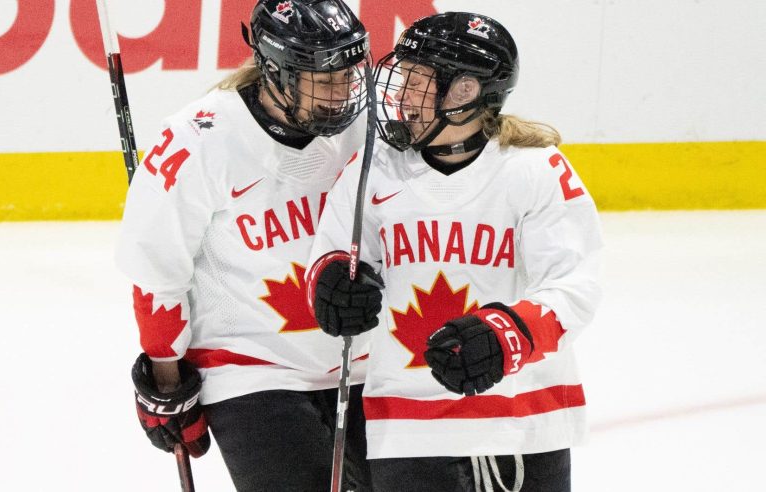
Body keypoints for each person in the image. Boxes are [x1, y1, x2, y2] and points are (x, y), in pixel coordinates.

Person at [306, 11, 603, 492]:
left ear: (463, 92)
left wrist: (510, 333)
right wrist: (332, 284)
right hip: (407, 425)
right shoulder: (374, 168)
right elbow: (333, 255)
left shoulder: (535, 169)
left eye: (416, 81)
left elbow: (575, 285)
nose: (400, 95)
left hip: (523, 418)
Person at [115, 1, 375, 490]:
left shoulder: (365, 128)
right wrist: (166, 383)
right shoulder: (197, 140)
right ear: (275, 70)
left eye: (347, 73)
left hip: (363, 361)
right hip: (250, 371)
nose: (341, 93)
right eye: (323, 78)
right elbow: (157, 274)